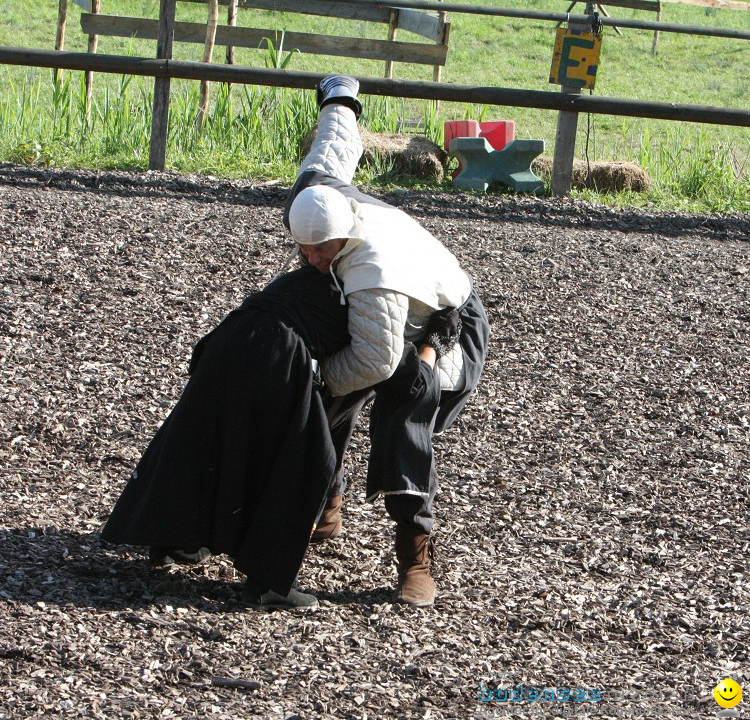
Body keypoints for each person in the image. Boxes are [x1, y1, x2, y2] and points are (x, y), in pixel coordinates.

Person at [284, 75, 490, 607]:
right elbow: (333, 146)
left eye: (321, 251)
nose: (310, 260)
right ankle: (326, 502)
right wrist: (340, 99)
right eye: (304, 250)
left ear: (344, 237)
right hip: (382, 308)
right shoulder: (317, 195)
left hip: (443, 323)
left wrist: (320, 382)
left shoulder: (374, 273)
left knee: (405, 416)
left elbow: (375, 361)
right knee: (323, 395)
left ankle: (415, 559)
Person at [100, 266, 353, 610]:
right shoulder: (369, 277)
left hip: (231, 337)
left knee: (206, 437)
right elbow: (378, 361)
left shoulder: (312, 273)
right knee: (293, 459)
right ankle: (269, 582)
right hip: (277, 352)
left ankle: (177, 540)